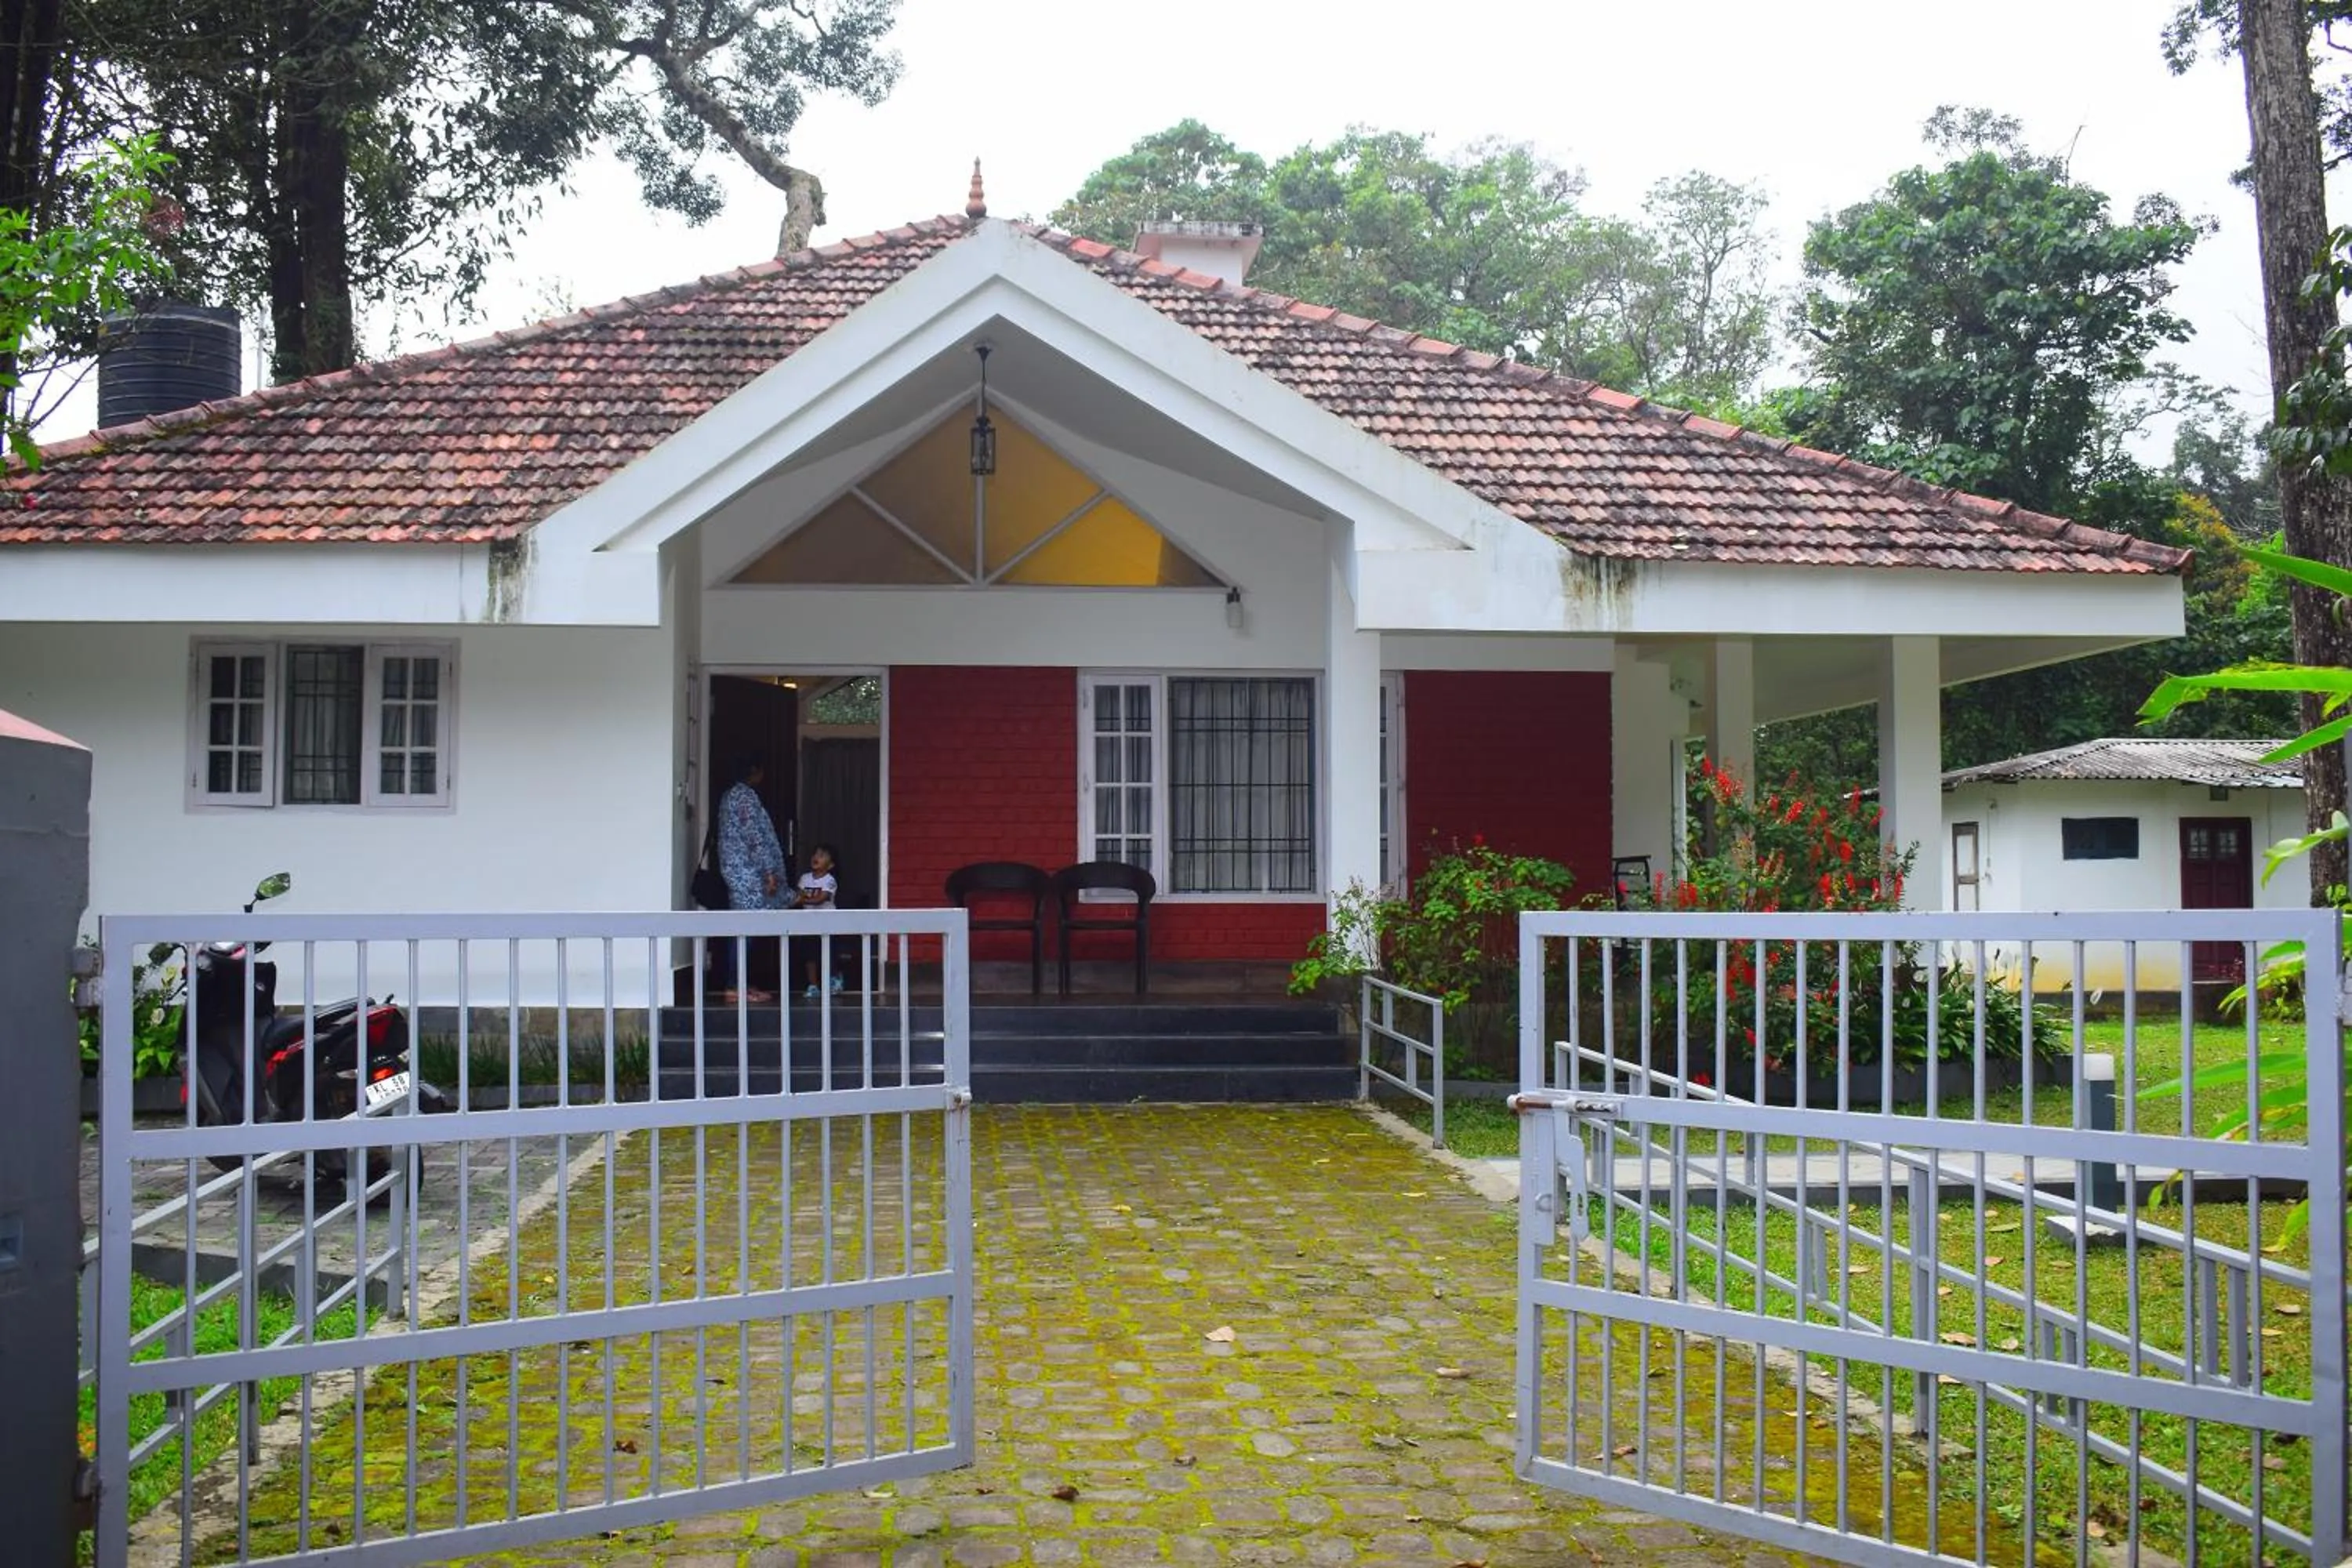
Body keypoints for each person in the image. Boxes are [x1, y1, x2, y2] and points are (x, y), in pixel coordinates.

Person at [713, 753, 786, 1003]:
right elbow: (754, 837)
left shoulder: (730, 796)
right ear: (754, 771)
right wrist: (768, 871)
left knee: (746, 928)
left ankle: (742, 983)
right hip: (746, 874)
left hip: (739, 871)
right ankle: (735, 985)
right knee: (746, 930)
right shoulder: (744, 797)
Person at [793, 844, 842, 998]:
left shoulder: (830, 880)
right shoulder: (805, 878)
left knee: (828, 953)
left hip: (828, 924)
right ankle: (813, 985)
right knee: (810, 956)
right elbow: (798, 896)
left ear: (831, 865)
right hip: (808, 924)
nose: (816, 857)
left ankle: (834, 980)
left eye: (822, 855)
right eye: (815, 854)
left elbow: (821, 899)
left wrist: (802, 900)